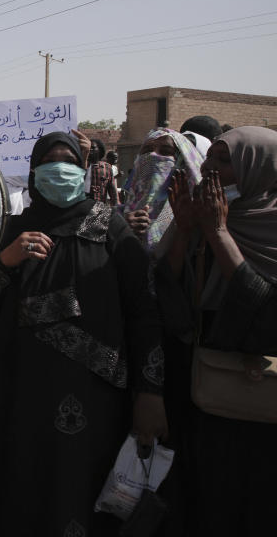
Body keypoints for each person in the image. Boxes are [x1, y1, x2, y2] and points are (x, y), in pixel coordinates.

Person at [0, 131, 167, 537]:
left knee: (84, 497)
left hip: (95, 398)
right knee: (22, 494)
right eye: (51, 161)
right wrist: (6, 260)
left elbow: (145, 314)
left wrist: (151, 392)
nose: (61, 169)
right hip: (20, 393)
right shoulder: (10, 230)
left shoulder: (111, 228)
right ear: (34, 172)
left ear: (84, 170)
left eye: (70, 162)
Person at [156, 126, 277, 537]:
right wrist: (185, 231)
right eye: (210, 158)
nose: (209, 169)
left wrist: (219, 234)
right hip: (197, 387)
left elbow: (263, 311)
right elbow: (167, 295)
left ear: (260, 171)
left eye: (224, 162)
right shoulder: (206, 216)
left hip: (256, 395)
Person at [121, 128, 203, 252]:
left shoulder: (195, 214)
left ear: (182, 163)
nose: (153, 155)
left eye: (165, 152)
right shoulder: (116, 212)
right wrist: (120, 226)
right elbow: (84, 231)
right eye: (147, 150)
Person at [85, 138, 119, 204]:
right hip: (83, 208)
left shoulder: (107, 168)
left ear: (100, 150)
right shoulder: (82, 166)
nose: (90, 150)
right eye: (88, 148)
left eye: (93, 148)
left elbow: (113, 192)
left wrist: (116, 208)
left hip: (100, 207)